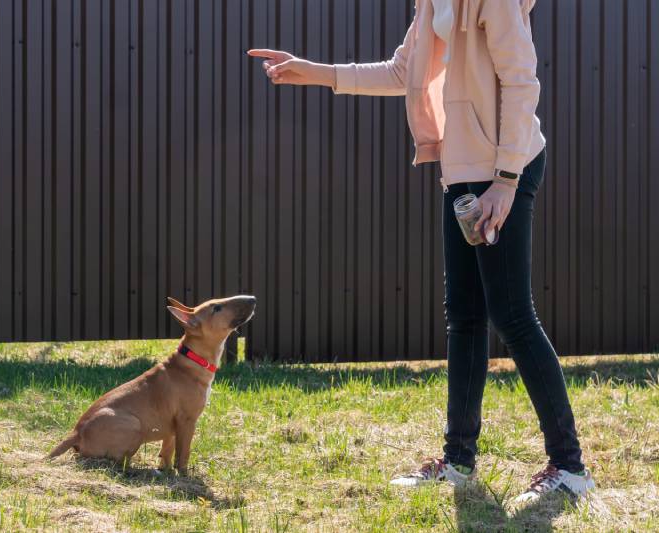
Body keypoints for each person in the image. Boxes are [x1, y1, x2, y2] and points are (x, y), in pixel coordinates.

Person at [248, 0, 594, 503]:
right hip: (462, 171)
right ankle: (458, 461)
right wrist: (313, 71)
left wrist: (507, 180)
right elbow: (402, 71)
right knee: (466, 316)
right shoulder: (433, 1)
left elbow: (522, 83)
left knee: (513, 315)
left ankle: (570, 468)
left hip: (503, 169)